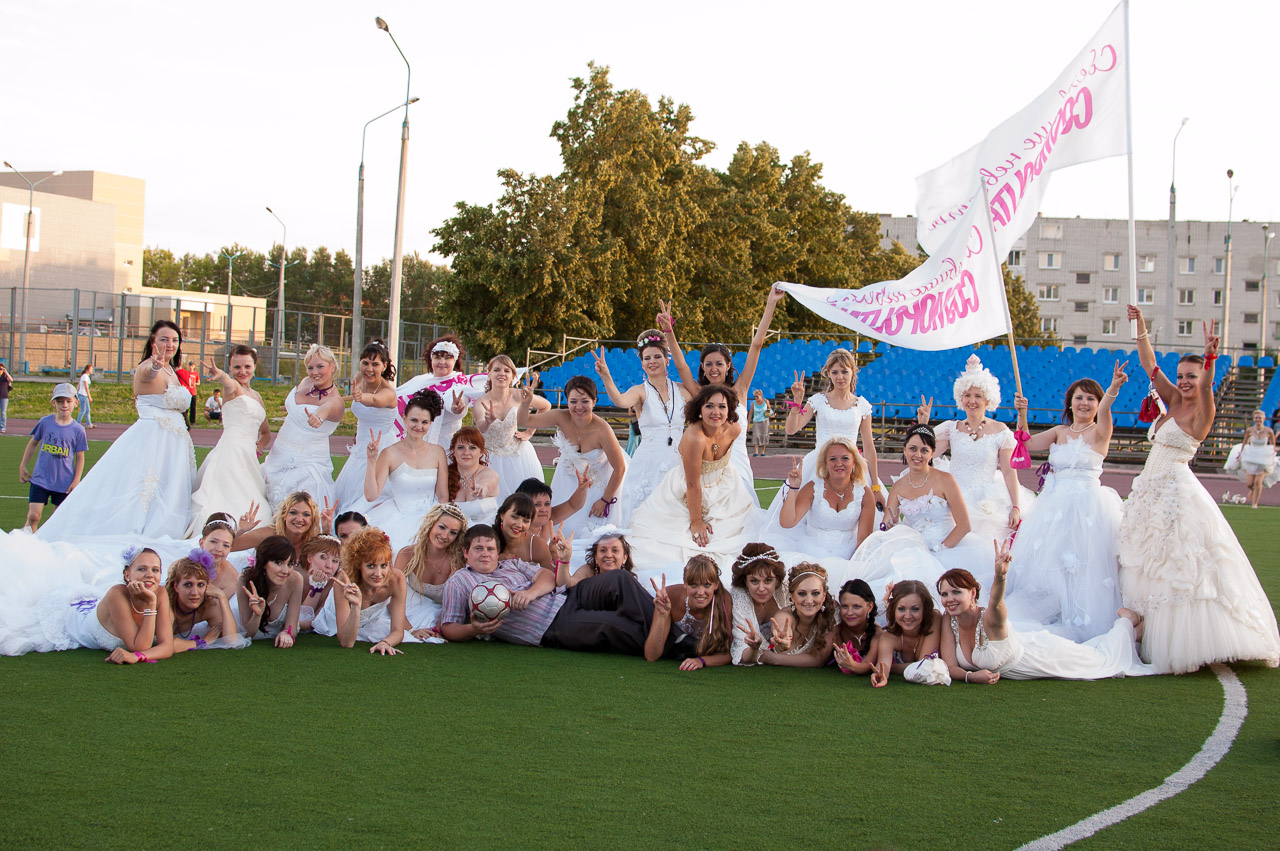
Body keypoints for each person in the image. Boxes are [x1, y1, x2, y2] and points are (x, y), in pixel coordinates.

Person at [1118, 308, 1280, 674]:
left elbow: (1206, 386)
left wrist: (1210, 357)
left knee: (1183, 565)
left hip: (1177, 492)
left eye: (1190, 376)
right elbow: (1148, 364)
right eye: (1181, 376)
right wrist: (1141, 325)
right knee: (1149, 562)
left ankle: (1197, 639)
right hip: (1149, 492)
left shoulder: (1201, 411)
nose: (1185, 382)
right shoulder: (1173, 400)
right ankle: (1148, 627)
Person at [37, 320, 196, 542]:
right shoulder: (148, 366)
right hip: (153, 440)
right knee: (142, 494)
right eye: (164, 339)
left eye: (174, 340)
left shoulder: (173, 372)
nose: (170, 344)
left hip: (174, 445)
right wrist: (155, 367)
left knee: (169, 494)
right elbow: (148, 375)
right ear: (152, 341)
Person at [1006, 363, 1128, 641]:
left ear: (1097, 404)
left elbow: (1107, 410)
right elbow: (1028, 443)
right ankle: (1056, 611)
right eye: (1079, 398)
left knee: (1083, 564)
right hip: (1053, 507)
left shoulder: (1100, 432)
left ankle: (1081, 616)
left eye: (1090, 398)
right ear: (1070, 403)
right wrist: (1021, 413)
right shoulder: (1060, 431)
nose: (1084, 403)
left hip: (1088, 507)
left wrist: (1113, 389)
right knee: (1051, 564)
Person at [439, 524, 677, 658]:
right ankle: (678, 646)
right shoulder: (460, 582)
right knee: (616, 625)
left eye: (490, 548)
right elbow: (448, 627)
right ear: (465, 553)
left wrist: (531, 593)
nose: (485, 553)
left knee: (620, 579)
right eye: (478, 548)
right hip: (552, 625)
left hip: (567, 596)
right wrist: (474, 629)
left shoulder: (509, 564)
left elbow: (546, 576)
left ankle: (675, 632)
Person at [937, 544, 1155, 682]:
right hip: (1028, 652)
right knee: (1094, 651)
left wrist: (1000, 576)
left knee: (1102, 661)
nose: (949, 599)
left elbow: (996, 600)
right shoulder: (949, 620)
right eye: (945, 594)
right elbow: (950, 665)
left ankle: (1127, 623)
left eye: (956, 592)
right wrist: (971, 677)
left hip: (1041, 657)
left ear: (973, 592)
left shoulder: (990, 617)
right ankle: (1132, 631)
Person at [660, 287, 786, 503]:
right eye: (708, 364)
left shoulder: (740, 389)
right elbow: (680, 366)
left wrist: (771, 303)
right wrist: (669, 332)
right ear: (702, 366)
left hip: (736, 464)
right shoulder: (698, 393)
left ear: (728, 365)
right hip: (707, 464)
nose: (714, 369)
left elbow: (756, 345)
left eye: (719, 363)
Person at [628, 385, 754, 585]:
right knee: (687, 544)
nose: (716, 412)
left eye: (722, 407)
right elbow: (693, 484)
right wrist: (696, 521)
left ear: (729, 409)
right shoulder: (695, 437)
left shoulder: (735, 429)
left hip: (725, 486)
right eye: (709, 406)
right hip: (688, 489)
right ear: (700, 410)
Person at [848, 424, 993, 594]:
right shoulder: (898, 486)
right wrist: (889, 524)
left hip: (947, 548)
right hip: (912, 548)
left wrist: (939, 551)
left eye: (924, 450)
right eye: (913, 449)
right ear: (905, 450)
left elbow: (964, 526)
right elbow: (886, 522)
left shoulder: (946, 480)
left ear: (932, 453)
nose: (918, 455)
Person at [916, 354, 1035, 542]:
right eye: (967, 395)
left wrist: (1015, 506)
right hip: (953, 494)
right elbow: (924, 458)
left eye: (978, 396)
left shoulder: (1000, 431)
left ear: (988, 399)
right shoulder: (951, 429)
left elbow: (1009, 473)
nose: (972, 401)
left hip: (985, 498)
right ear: (960, 398)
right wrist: (923, 426)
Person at [6, 545, 176, 661]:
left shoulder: (160, 593)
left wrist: (138, 657)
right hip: (74, 622)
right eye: (142, 569)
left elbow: (166, 646)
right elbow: (139, 646)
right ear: (127, 575)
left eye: (155, 570)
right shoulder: (117, 594)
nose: (150, 575)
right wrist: (151, 603)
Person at [592, 329, 690, 520]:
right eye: (647, 358)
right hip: (648, 463)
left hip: (678, 461)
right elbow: (620, 400)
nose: (652, 361)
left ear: (666, 359)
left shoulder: (682, 390)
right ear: (642, 363)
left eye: (657, 356)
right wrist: (606, 376)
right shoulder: (640, 392)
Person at [517, 374, 628, 537]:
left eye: (585, 401)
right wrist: (526, 403)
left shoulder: (603, 430)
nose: (579, 407)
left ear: (594, 401)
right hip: (566, 481)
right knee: (559, 528)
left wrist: (605, 500)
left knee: (591, 534)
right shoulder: (560, 417)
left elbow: (620, 468)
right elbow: (525, 421)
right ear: (567, 401)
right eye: (573, 401)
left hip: (598, 487)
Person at [184, 345, 271, 538]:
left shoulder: (257, 396)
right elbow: (229, 384)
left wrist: (258, 448)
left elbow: (265, 432)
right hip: (229, 452)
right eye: (236, 367)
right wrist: (222, 375)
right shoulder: (232, 388)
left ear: (254, 367)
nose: (242, 372)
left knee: (259, 507)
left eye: (247, 366)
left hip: (248, 457)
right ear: (230, 368)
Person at [780, 348, 882, 503]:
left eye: (844, 371)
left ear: (853, 372)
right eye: (835, 372)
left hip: (851, 465)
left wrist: (875, 485)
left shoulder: (862, 405)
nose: (840, 377)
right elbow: (791, 429)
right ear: (828, 373)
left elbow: (869, 447)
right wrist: (797, 403)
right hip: (820, 464)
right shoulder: (818, 400)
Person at [772, 436, 876, 574]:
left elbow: (863, 540)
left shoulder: (865, 494)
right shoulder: (813, 488)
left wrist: (850, 568)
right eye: (833, 459)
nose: (839, 463)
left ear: (854, 463)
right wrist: (794, 488)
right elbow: (787, 522)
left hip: (848, 556)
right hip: (810, 554)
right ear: (826, 464)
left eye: (845, 458)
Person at [260, 343, 345, 510]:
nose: (314, 372)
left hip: (305, 465)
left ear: (333, 367)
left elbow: (325, 409)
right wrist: (291, 408)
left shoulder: (335, 401)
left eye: (320, 366)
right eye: (310, 367)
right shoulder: (306, 382)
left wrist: (318, 417)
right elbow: (298, 405)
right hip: (278, 455)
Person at [363, 389, 450, 551]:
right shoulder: (389, 453)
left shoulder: (438, 452)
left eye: (425, 422)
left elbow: (443, 496)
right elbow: (371, 495)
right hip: (397, 517)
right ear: (404, 419)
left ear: (430, 424)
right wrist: (371, 460)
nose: (419, 426)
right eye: (414, 420)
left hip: (430, 517)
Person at [321, 526, 414, 654]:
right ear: (358, 564)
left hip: (374, 620)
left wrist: (385, 643)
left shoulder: (396, 579)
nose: (378, 573)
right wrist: (355, 605)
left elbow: (398, 630)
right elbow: (346, 642)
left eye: (384, 565)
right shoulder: (343, 582)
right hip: (341, 619)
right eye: (371, 566)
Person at [332, 339, 399, 515]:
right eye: (365, 363)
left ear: (384, 366)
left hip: (380, 446)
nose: (369, 368)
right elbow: (362, 415)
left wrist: (363, 398)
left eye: (375, 364)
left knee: (370, 497)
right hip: (361, 444)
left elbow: (375, 401)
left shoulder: (388, 392)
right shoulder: (358, 378)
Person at [474, 354, 547, 499]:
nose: (501, 374)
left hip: (518, 455)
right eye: (496, 370)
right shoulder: (481, 402)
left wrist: (529, 432)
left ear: (513, 376)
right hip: (490, 458)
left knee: (525, 500)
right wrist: (488, 421)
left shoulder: (519, 395)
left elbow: (546, 406)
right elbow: (481, 427)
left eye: (507, 371)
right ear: (489, 374)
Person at [644, 555, 734, 670]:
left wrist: (701, 661)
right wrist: (662, 615)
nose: (700, 592)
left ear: (716, 585)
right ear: (685, 583)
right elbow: (651, 656)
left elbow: (731, 653)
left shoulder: (724, 601)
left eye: (707, 585)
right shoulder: (670, 596)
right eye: (694, 585)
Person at [18, 383, 87, 533]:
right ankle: (25, 546)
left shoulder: (78, 430)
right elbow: (33, 443)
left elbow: (80, 457)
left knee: (58, 521)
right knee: (34, 516)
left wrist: (76, 480)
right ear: (53, 403)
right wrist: (23, 465)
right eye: (60, 401)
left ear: (76, 402)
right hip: (41, 478)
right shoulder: (45, 422)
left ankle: (52, 550)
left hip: (64, 482)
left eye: (68, 401)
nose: (64, 405)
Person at [394, 504, 468, 638]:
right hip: (410, 612)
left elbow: (452, 603)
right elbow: (390, 595)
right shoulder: (407, 554)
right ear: (431, 524)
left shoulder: (457, 562)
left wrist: (438, 630)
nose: (445, 536)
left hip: (443, 615)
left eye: (453, 532)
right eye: (442, 527)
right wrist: (411, 630)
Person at [748, 563, 836, 668]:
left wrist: (773, 659)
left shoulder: (832, 612)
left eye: (815, 593)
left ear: (824, 596)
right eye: (802, 594)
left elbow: (819, 659)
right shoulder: (784, 616)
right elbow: (781, 632)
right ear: (792, 597)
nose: (809, 601)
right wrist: (783, 643)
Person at [166, 550, 245, 651]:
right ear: (176, 586)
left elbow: (232, 640)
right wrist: (202, 641)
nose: (194, 592)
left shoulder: (209, 605)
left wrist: (222, 597)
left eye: (200, 585)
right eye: (188, 585)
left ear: (208, 586)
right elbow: (167, 644)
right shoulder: (165, 601)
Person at [871, 580, 944, 687]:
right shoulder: (888, 638)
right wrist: (881, 675)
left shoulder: (934, 619)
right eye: (901, 609)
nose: (908, 616)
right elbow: (884, 665)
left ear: (925, 609)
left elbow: (924, 665)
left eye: (915, 609)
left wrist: (893, 668)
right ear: (893, 609)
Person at [727, 544, 788, 665]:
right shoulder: (738, 600)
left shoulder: (785, 590)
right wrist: (754, 648)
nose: (761, 588)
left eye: (768, 580)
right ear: (745, 581)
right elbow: (743, 656)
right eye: (754, 581)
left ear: (776, 581)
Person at [237, 535, 302, 645]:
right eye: (278, 563)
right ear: (263, 563)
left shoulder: (295, 580)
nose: (285, 571)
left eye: (290, 564)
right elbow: (247, 634)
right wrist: (257, 615)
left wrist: (286, 633)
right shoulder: (245, 580)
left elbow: (292, 627)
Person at [446, 427, 502, 526]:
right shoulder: (445, 475)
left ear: (481, 452)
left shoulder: (489, 474)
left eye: (472, 448)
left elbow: (485, 485)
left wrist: (481, 490)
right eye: (460, 447)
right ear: (453, 451)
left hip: (484, 533)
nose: (466, 452)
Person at [1223, 409, 1278, 508]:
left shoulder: (1269, 431)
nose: (1258, 420)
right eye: (1256, 418)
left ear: (1264, 419)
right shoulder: (1250, 430)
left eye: (1260, 418)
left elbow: (1272, 445)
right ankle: (1252, 489)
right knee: (1250, 483)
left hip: (1263, 457)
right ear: (1254, 419)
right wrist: (1241, 454)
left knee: (1258, 481)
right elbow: (1245, 443)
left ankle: (1255, 503)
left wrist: (1271, 456)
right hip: (1251, 456)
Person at [832, 579, 881, 677]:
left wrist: (851, 665)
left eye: (856, 607)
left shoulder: (878, 634)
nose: (849, 613)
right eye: (845, 606)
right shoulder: (836, 629)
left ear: (869, 607)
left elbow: (867, 666)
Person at [556, 526, 634, 588]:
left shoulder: (629, 582)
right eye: (603, 550)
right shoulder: (588, 571)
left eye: (615, 550)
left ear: (624, 558)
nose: (608, 555)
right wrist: (564, 560)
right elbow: (566, 585)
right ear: (596, 557)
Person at [296, 534, 342, 633]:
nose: (329, 565)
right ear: (309, 558)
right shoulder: (295, 576)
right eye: (323, 557)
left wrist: (317, 587)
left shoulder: (337, 582)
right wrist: (316, 587)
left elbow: (314, 622)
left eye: (335, 561)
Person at [194, 513, 242, 603]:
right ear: (201, 543)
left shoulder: (232, 580)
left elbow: (214, 609)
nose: (219, 549)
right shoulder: (183, 565)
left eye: (226, 545)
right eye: (213, 541)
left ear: (230, 549)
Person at [176, 359, 200, 428]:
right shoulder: (186, 372)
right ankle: (185, 421)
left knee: (193, 407)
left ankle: (192, 421)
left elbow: (198, 382)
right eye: (190, 365)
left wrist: (194, 383)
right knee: (186, 408)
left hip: (193, 392)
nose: (191, 367)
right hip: (187, 392)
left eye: (192, 365)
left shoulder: (196, 373)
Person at [750, 389, 772, 457]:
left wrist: (768, 414)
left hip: (764, 420)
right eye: (755, 397)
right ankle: (756, 451)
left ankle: (763, 451)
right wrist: (748, 423)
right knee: (756, 435)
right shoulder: (753, 403)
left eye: (757, 397)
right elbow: (750, 413)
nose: (756, 398)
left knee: (764, 435)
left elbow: (769, 409)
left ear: (761, 395)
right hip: (756, 421)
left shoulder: (766, 401)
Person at [75, 364, 94, 429]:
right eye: (90, 369)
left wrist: (77, 393)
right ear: (87, 370)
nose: (92, 370)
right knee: (83, 410)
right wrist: (89, 396)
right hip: (83, 395)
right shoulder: (85, 376)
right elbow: (86, 387)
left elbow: (79, 385)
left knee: (87, 410)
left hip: (83, 395)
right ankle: (77, 423)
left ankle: (89, 424)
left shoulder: (84, 376)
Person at [0, 360, 12, 433]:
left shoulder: (5, 377)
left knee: (3, 412)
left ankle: (3, 427)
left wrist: (6, 372)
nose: (0, 370)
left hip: (4, 396)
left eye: (1, 369)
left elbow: (11, 379)